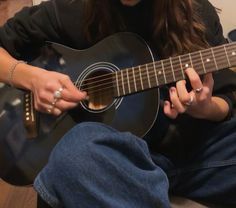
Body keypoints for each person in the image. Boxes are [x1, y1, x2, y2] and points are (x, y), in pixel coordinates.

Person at [0, 0, 236, 207]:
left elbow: (227, 99)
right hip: (115, 158)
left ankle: (128, 191)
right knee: (76, 153)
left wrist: (205, 108)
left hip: (192, 153)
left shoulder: (194, 11)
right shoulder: (72, 9)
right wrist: (31, 78)